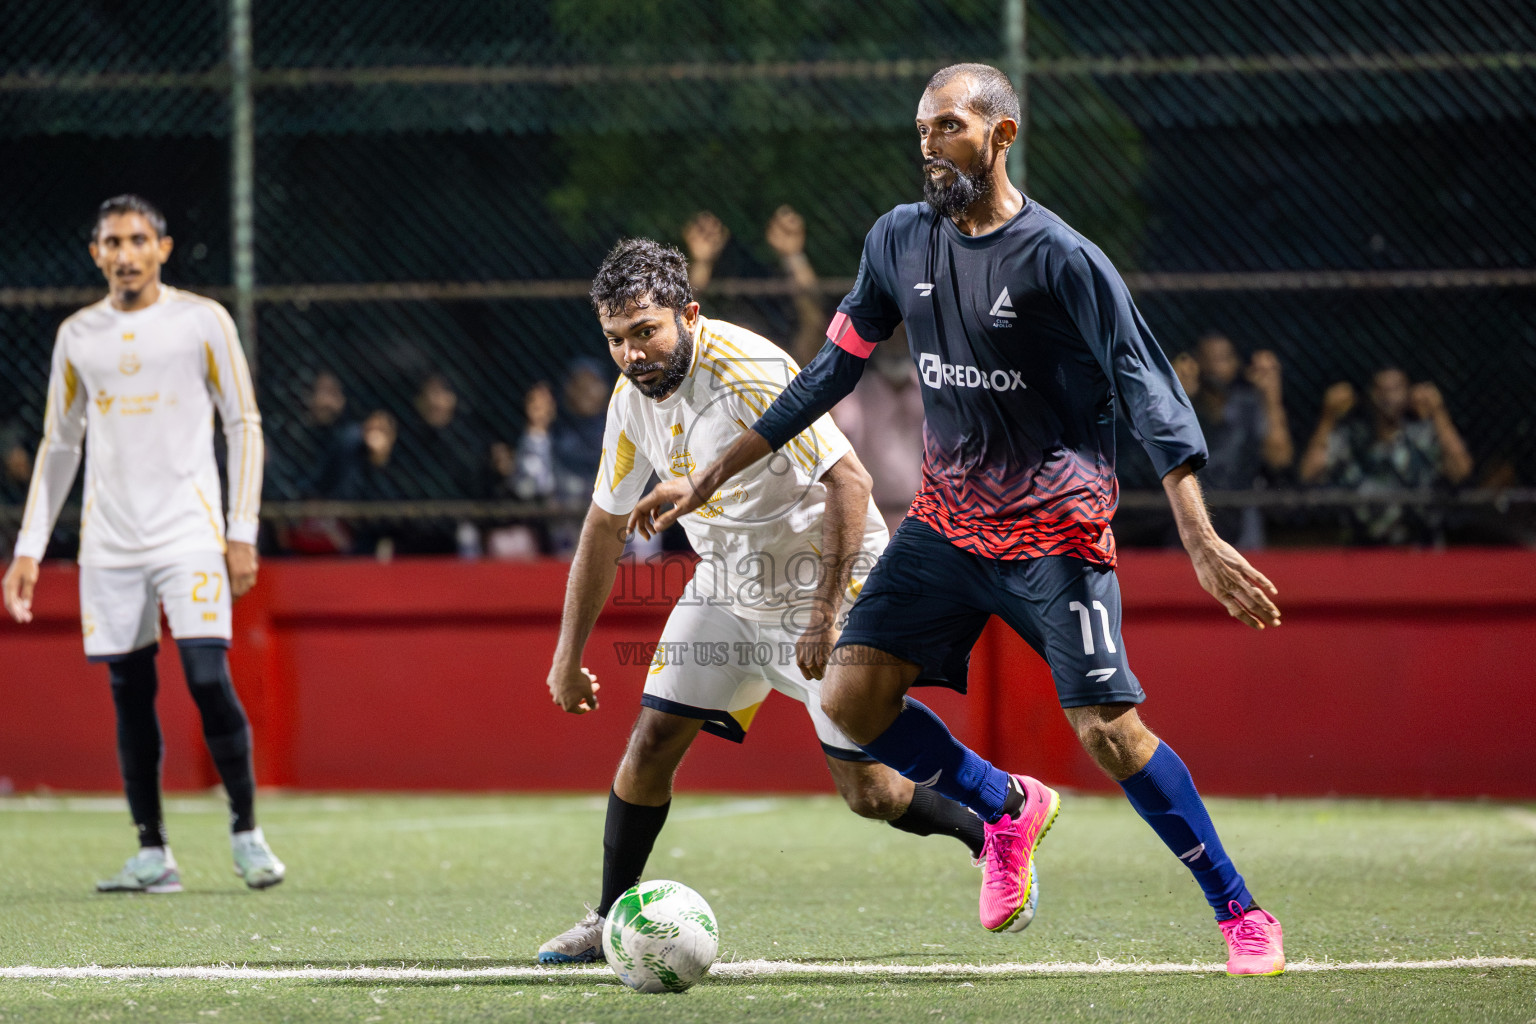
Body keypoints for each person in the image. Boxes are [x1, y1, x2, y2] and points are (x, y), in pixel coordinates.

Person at [629, 64, 1287, 976]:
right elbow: (827, 376)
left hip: (1054, 530)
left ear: (1001, 135)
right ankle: (1005, 806)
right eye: (922, 129)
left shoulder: (1062, 258)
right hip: (945, 525)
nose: (930, 145)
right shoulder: (898, 241)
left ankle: (1241, 913)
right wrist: (708, 479)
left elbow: (1150, 395)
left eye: (949, 127)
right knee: (853, 700)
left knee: (1109, 732)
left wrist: (1201, 536)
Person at [537, 238, 1003, 964]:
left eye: (646, 332)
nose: (630, 354)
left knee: (870, 794)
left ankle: (990, 830)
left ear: (688, 315)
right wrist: (567, 657)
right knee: (653, 741)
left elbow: (849, 484)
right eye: (616, 340)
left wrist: (825, 617)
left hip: (826, 582)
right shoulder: (631, 401)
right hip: (726, 583)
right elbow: (603, 524)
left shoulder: (748, 371)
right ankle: (606, 920)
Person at [1, 194, 285, 893]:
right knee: (130, 691)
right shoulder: (78, 336)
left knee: (207, 677)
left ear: (163, 247)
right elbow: (59, 441)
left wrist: (240, 530)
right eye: (112, 242)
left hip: (189, 534)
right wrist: (30, 547)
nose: (125, 253)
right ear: (96, 253)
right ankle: (152, 852)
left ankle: (246, 832)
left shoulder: (202, 322)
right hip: (109, 544)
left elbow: (242, 424)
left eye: (138, 239)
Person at [1298, 367, 1473, 544]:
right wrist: (1328, 417)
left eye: (1396, 388)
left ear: (1408, 394)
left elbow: (1461, 470)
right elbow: (1309, 472)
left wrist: (1438, 412)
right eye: (1382, 389)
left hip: (1418, 547)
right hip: (1364, 550)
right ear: (1371, 395)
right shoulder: (1353, 439)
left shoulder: (1424, 437)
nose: (1388, 397)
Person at [1183, 333, 1295, 549]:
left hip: (1242, 517)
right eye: (1207, 358)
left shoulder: (1251, 404)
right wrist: (1177, 396)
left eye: (1222, 359)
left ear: (1236, 364)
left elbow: (1280, 458)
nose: (1214, 367)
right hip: (1191, 512)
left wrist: (1271, 394)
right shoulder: (1186, 405)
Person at [831, 331, 927, 536]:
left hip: (923, 515)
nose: (896, 347)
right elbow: (837, 423)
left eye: (902, 340)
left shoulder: (928, 389)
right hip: (873, 514)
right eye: (890, 341)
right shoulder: (860, 392)